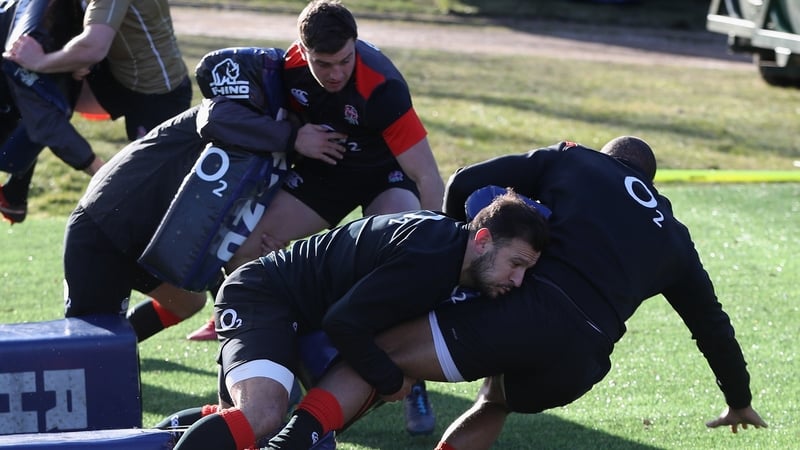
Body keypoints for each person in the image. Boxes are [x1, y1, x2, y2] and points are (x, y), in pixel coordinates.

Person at [261, 136, 767, 450]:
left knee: (385, 354)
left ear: (608, 157)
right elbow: (712, 326)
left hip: (529, 309)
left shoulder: (578, 161)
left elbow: (468, 180)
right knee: (494, 401)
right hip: (583, 361)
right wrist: (738, 400)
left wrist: (449, 247)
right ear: (651, 182)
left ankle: (291, 440)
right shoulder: (676, 236)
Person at [182, 0, 445, 435]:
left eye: (345, 60)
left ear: (355, 45)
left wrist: (436, 246)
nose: (337, 73)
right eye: (324, 64)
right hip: (325, 171)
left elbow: (427, 175)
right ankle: (254, 366)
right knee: (244, 249)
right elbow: (235, 120)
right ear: (302, 52)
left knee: (402, 257)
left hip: (386, 177)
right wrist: (295, 136)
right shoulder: (282, 69)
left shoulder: (382, 86)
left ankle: (412, 375)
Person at [171, 190, 550, 450]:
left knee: (240, 423)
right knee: (263, 413)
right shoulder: (430, 259)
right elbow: (344, 323)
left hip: (295, 314)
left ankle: (158, 436)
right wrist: (390, 381)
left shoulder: (446, 250)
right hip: (260, 296)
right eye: (515, 264)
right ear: (482, 239)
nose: (516, 280)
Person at [62, 47, 293, 342]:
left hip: (140, 235)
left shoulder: (252, 132)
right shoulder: (226, 119)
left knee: (186, 300)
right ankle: (106, 355)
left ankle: (118, 351)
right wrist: (295, 137)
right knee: (88, 340)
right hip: (103, 229)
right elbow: (218, 120)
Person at [2, 0, 192, 221]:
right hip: (114, 73)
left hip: (156, 93)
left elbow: (94, 46)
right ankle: (15, 193)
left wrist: (42, 62)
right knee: (40, 90)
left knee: (156, 191)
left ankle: (187, 240)